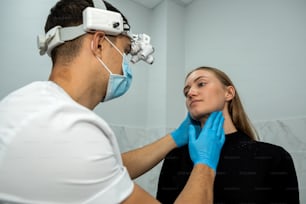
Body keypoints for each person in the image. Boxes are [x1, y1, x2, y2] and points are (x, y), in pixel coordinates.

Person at [0, 1, 226, 203]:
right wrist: (205, 165)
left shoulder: (31, 105)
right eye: (124, 51)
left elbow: (108, 168)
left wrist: (174, 138)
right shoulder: (67, 128)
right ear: (98, 44)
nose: (125, 66)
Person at [156, 66, 300, 204]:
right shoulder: (175, 157)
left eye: (201, 84)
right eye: (186, 91)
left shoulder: (273, 156)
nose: (190, 93)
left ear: (229, 93)